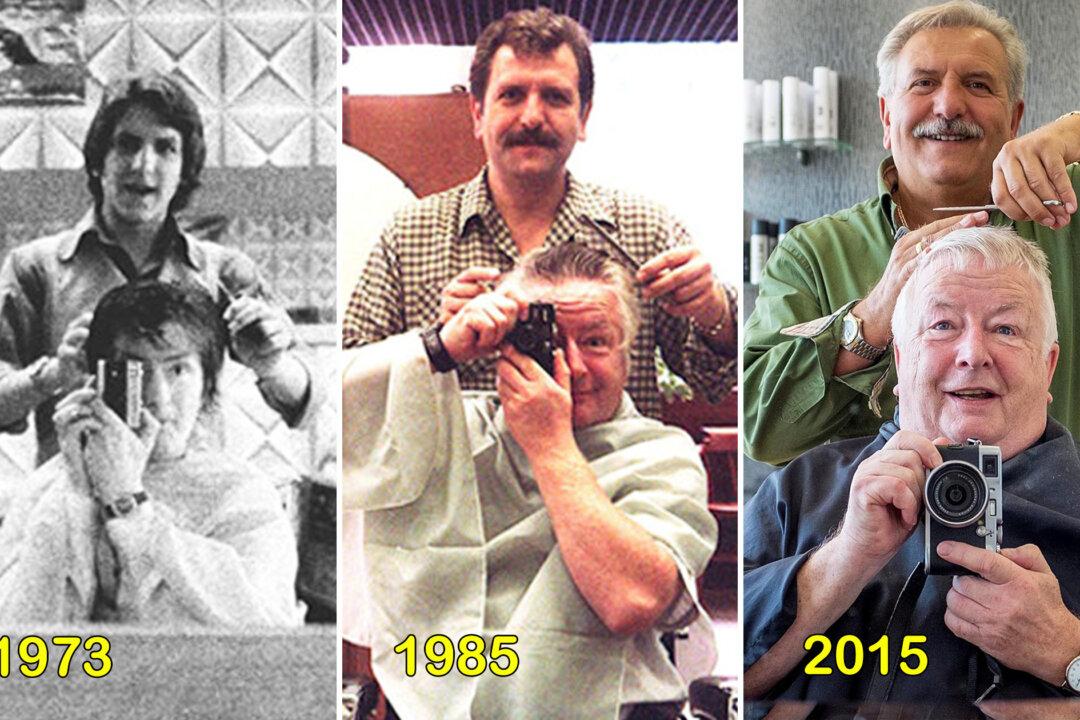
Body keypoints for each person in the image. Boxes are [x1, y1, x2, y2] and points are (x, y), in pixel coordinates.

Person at [343, 244, 717, 719]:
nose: (574, 367)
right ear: (506, 345)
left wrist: (550, 445)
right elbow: (322, 427)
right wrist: (437, 349)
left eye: (597, 341)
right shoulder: (455, 427)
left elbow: (632, 600)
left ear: (628, 354)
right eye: (549, 340)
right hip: (441, 693)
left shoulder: (660, 453)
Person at [342, 7, 737, 420]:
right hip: (458, 483)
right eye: (511, 95)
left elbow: (714, 385)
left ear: (583, 117)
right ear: (478, 113)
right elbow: (346, 387)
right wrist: (436, 345)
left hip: (608, 482)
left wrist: (714, 311)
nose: (532, 117)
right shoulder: (409, 236)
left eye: (555, 97)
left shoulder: (646, 231)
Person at [743, 227, 1080, 704]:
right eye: (942, 326)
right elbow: (713, 676)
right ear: (901, 360)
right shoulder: (801, 490)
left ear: (1047, 367)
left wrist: (1067, 651)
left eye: (1005, 329)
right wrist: (845, 559)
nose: (973, 354)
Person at [743, 0, 1080, 465]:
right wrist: (869, 323)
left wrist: (1072, 131)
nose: (948, 105)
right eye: (923, 83)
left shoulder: (1067, 208)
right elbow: (760, 429)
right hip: (866, 532)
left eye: (977, 84)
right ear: (886, 116)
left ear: (1015, 119)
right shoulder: (813, 254)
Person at [0, 70, 317, 466]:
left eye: (165, 147)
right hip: (76, 507)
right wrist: (53, 375)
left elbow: (309, 401)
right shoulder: (35, 270)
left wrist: (272, 364)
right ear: (99, 160)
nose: (143, 165)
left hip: (194, 514)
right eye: (127, 145)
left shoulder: (225, 274)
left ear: (185, 168)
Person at [0, 280, 300, 625]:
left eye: (177, 370)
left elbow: (268, 636)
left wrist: (132, 507)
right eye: (134, 371)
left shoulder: (241, 494)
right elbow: (16, 648)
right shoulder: (46, 488)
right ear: (99, 381)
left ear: (207, 386)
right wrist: (77, 494)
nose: (157, 396)